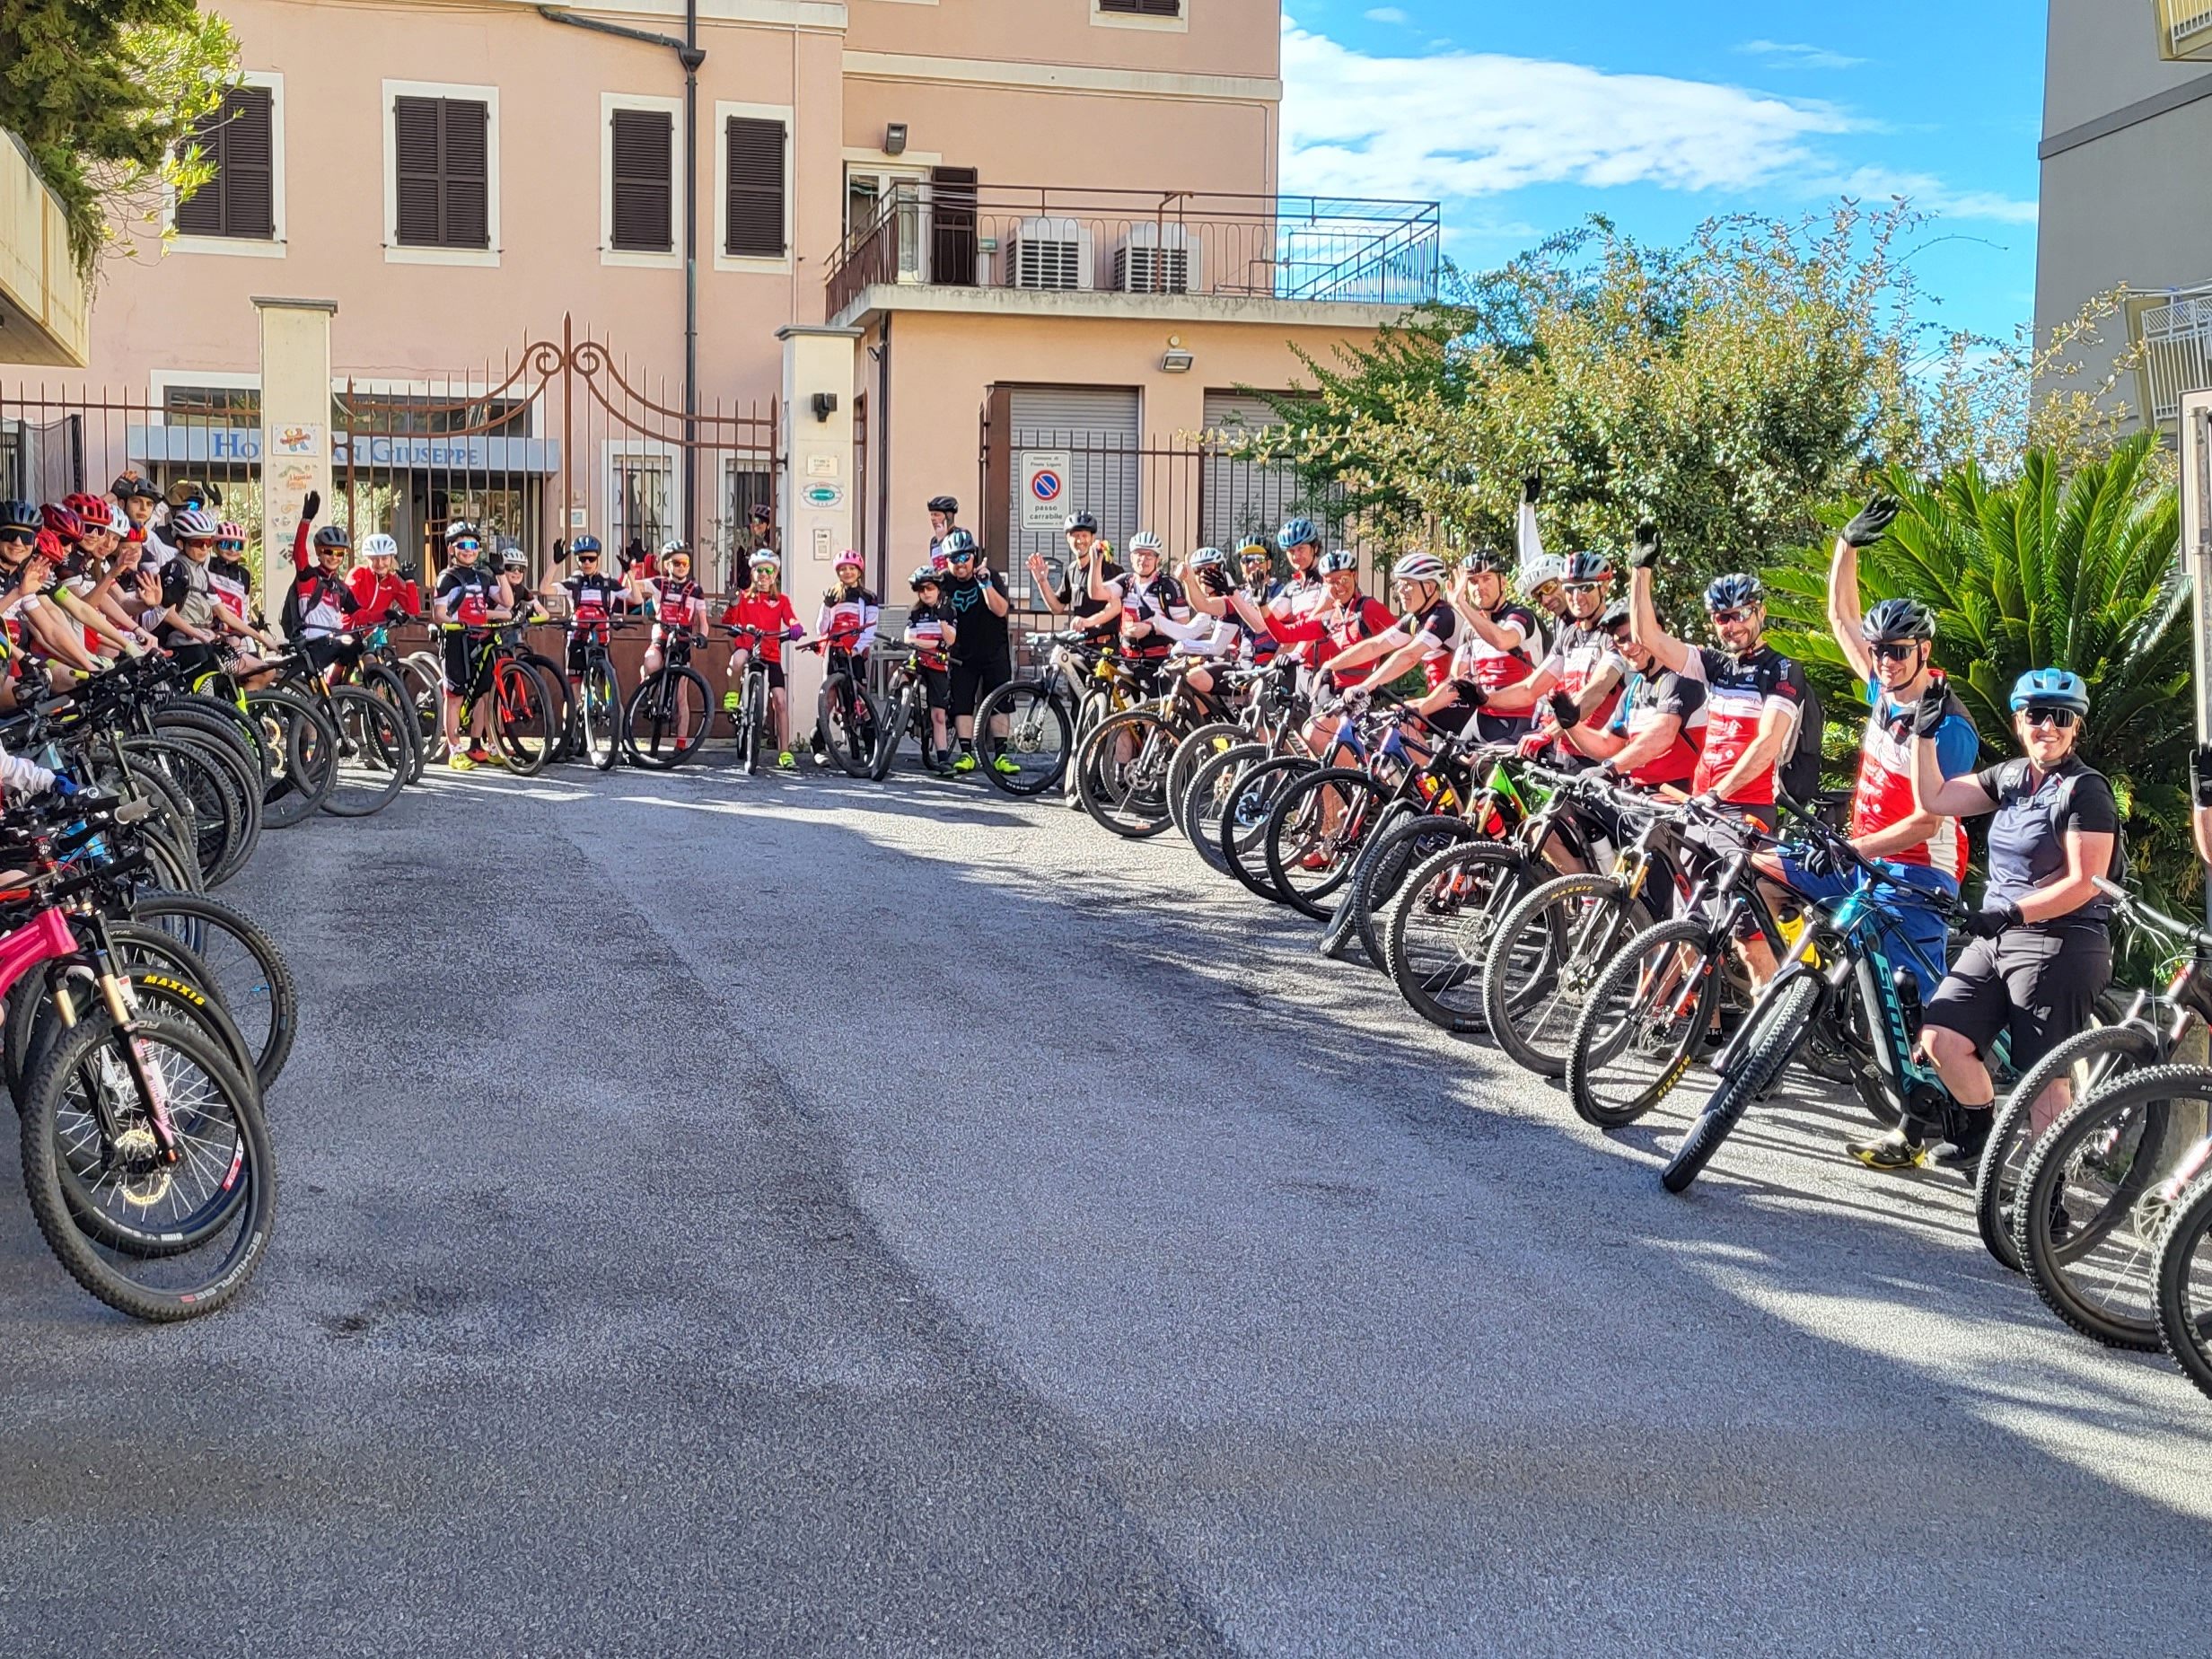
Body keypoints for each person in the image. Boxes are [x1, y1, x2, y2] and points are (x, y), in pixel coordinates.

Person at [1862, 667, 2120, 1173]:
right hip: (1998, 934)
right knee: (1940, 1038)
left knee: (2045, 1083)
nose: (2047, 726)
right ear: (2019, 722)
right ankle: (1980, 1132)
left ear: (2076, 727)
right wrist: (1923, 734)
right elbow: (1935, 800)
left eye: (2060, 717)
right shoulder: (2010, 778)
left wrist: (2013, 911)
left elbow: (2085, 881)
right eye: (2035, 716)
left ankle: (2050, 1201)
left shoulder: (2085, 791)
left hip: (2059, 941)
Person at [1764, 495, 1979, 1011]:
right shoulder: (1884, 691)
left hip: (1919, 870)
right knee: (1762, 870)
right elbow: (1841, 617)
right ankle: (1809, 983)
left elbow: (1928, 823)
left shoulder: (1949, 725)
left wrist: (1852, 850)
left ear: (1924, 652)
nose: (1883, 660)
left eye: (1898, 652)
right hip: (1862, 855)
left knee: (1918, 1018)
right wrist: (1847, 544)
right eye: (1879, 650)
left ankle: (1969, 1086)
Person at [1462, 549, 1624, 756]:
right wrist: (1485, 699)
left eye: (1585, 588)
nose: (1577, 597)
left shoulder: (1616, 633)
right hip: (1566, 749)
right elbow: (1530, 689)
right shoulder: (1568, 636)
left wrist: (1547, 733)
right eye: (1570, 589)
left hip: (1601, 755)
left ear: (1605, 587)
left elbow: (1597, 691)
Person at [1556, 602, 1706, 790]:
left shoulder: (1679, 676)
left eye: (1634, 637)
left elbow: (1663, 733)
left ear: (1656, 631)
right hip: (1640, 797)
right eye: (1620, 640)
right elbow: (1607, 745)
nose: (1628, 646)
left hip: (1678, 799)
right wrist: (1570, 725)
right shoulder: (1633, 690)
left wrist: (1612, 767)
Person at [1312, 550, 1458, 711]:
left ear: (1429, 588)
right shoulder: (1414, 619)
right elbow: (1375, 646)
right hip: (1438, 696)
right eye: (1400, 584)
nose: (1401, 591)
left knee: (1396, 725)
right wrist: (1330, 666)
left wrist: (1366, 686)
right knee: (1389, 724)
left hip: (1458, 701)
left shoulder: (1442, 617)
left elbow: (1409, 656)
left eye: (1408, 584)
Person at [1431, 548, 1541, 742]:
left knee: (1480, 767)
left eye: (1486, 579)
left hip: (1520, 718)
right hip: (1483, 716)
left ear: (1503, 582)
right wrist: (1416, 708)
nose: (1479, 587)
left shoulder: (1520, 616)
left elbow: (1502, 640)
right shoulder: (1470, 626)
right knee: (1442, 760)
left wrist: (1460, 605)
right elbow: (1456, 678)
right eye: (1473, 581)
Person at [433, 521, 511, 768]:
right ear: (451, 549)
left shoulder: (483, 577)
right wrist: (459, 623)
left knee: (487, 696)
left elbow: (507, 601)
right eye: (463, 545)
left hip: (482, 638)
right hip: (457, 640)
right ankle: (455, 749)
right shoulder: (447, 578)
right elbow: (439, 613)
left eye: (474, 545)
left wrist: (500, 572)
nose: (469, 550)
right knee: (455, 697)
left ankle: (483, 746)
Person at [939, 531, 1016, 775]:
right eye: (954, 559)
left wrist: (985, 585)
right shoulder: (944, 582)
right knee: (962, 703)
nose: (960, 564)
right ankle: (966, 754)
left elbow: (1001, 610)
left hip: (994, 649)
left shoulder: (989, 575)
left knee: (1000, 702)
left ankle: (1002, 755)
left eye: (964, 557)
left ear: (973, 556)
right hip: (961, 653)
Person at [719, 549, 804, 768]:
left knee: (781, 701)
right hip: (747, 646)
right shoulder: (744, 598)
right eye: (759, 570)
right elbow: (728, 620)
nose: (764, 575)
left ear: (775, 575)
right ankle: (732, 694)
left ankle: (785, 752)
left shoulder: (782, 600)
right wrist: (733, 604)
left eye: (769, 570)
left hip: (770, 653)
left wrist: (795, 627)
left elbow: (792, 619)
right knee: (737, 660)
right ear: (753, 573)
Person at [1099, 530, 1190, 694]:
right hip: (1126, 659)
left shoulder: (1169, 586)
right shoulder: (1126, 582)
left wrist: (1151, 628)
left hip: (1156, 661)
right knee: (1120, 711)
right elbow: (1096, 592)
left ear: (1158, 560)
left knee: (1151, 716)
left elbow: (1183, 627)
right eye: (1139, 554)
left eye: (1149, 555)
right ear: (1131, 558)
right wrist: (1096, 559)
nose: (1144, 560)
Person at [285, 520, 367, 679]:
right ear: (318, 552)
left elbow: (360, 614)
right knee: (346, 649)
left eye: (340, 553)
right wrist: (305, 521)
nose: (334, 557)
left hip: (329, 642)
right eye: (329, 552)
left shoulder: (340, 587)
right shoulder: (309, 578)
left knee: (356, 650)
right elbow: (299, 554)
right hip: (310, 643)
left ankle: (334, 694)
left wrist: (387, 614)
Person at [1029, 511, 1122, 647]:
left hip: (1105, 647)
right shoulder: (1072, 570)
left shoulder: (1106, 567)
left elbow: (1116, 606)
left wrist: (1087, 621)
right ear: (1068, 538)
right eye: (1075, 536)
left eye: (1085, 535)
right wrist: (1042, 581)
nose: (1080, 541)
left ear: (1092, 538)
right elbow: (1057, 607)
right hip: (1080, 646)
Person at [901, 564, 958, 761]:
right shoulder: (915, 612)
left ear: (938, 589)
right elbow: (908, 637)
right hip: (918, 658)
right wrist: (932, 642)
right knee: (897, 679)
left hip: (938, 663)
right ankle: (898, 718)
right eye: (921, 589)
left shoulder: (948, 609)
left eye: (930, 588)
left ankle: (942, 757)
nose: (925, 593)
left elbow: (950, 640)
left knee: (938, 715)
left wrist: (942, 622)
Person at [628, 540, 707, 684]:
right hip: (661, 638)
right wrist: (634, 569)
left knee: (681, 695)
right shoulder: (659, 583)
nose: (681, 567)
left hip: (683, 640)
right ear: (667, 565)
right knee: (651, 663)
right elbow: (632, 587)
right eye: (677, 563)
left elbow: (703, 621)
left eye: (685, 563)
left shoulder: (696, 590)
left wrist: (702, 636)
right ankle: (645, 690)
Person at [348, 533, 422, 626]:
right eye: (374, 558)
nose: (380, 563)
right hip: (348, 633)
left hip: (374, 636)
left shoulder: (392, 582)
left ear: (392, 558)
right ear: (367, 558)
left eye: (384, 558)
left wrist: (410, 581)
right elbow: (350, 610)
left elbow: (413, 611)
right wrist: (384, 615)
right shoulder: (358, 573)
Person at [926, 495, 961, 568]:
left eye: (936, 515)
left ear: (948, 517)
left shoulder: (960, 536)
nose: (932, 518)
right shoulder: (934, 541)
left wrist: (942, 541)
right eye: (931, 515)